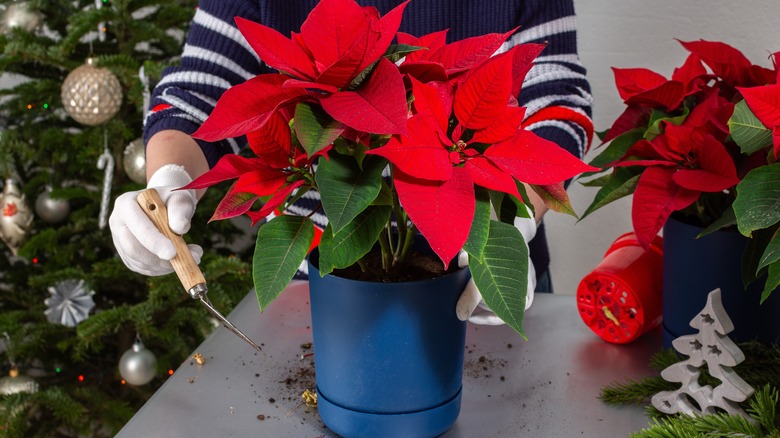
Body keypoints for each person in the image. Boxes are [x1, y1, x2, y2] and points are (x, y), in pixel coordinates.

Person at [110, 0, 593, 317]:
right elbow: (203, 87)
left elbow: (557, 96)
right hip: (319, 282)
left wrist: (506, 229)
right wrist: (169, 178)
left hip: (482, 272)